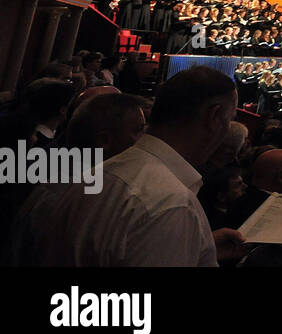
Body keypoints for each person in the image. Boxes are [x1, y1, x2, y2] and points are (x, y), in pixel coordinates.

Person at [15, 66, 246, 266]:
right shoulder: (169, 204)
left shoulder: (98, 174)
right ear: (214, 117)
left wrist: (193, 246)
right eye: (230, 117)